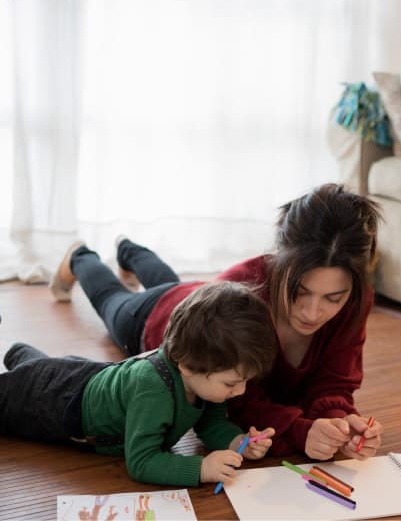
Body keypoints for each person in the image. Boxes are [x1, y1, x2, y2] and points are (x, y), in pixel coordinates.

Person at [49, 183, 384, 461]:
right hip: (159, 315)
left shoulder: (357, 299)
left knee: (170, 279)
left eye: (333, 299)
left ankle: (129, 250)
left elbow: (335, 380)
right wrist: (301, 431)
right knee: (112, 300)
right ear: (277, 265)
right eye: (299, 292)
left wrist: (337, 424)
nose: (312, 313)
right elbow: (228, 399)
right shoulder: (240, 285)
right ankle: (80, 256)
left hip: (203, 295)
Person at [0, 281, 278, 487]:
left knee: (44, 370)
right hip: (55, 401)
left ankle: (21, 356)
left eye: (244, 381)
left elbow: (210, 422)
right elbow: (142, 462)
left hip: (84, 378)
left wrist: (237, 441)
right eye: (231, 383)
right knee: (27, 385)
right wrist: (201, 468)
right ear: (187, 365)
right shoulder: (153, 391)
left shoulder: (204, 378)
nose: (239, 391)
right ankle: (25, 363)